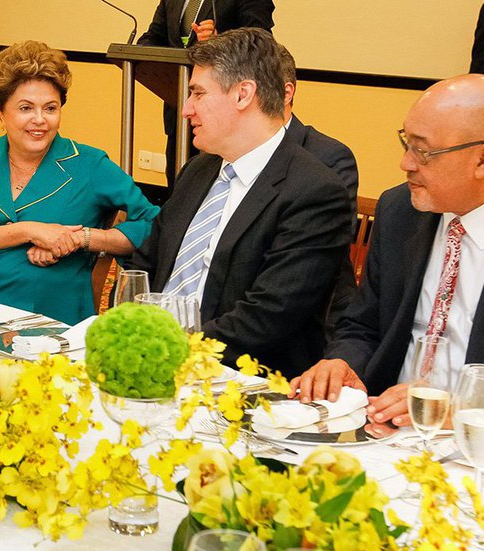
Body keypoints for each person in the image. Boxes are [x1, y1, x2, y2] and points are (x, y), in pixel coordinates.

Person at [126, 28, 351, 378]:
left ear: (243, 94)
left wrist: (169, 349)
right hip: (148, 359)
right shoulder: (198, 171)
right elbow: (146, 261)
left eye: (198, 93)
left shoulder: (314, 190)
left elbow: (267, 316)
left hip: (237, 382)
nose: (185, 110)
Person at [291, 74, 484, 437]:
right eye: (405, 143)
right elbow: (363, 324)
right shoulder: (400, 211)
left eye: (423, 151)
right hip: (384, 428)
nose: (405, 163)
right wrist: (343, 362)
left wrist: (462, 409)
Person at [0, 41, 159, 325]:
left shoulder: (89, 164)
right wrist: (29, 231)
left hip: (47, 322)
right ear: (0, 110)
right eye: (26, 108)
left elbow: (156, 225)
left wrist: (81, 238)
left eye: (50, 108)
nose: (39, 120)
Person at [137, 0, 274, 190]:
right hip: (179, 110)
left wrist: (220, 41)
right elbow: (152, 38)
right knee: (179, 189)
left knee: (215, 190)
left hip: (225, 115)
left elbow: (262, 44)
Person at [279, 44, 359, 338]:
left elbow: (326, 249)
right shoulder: (218, 158)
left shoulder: (329, 156)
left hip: (311, 318)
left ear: (286, 93)